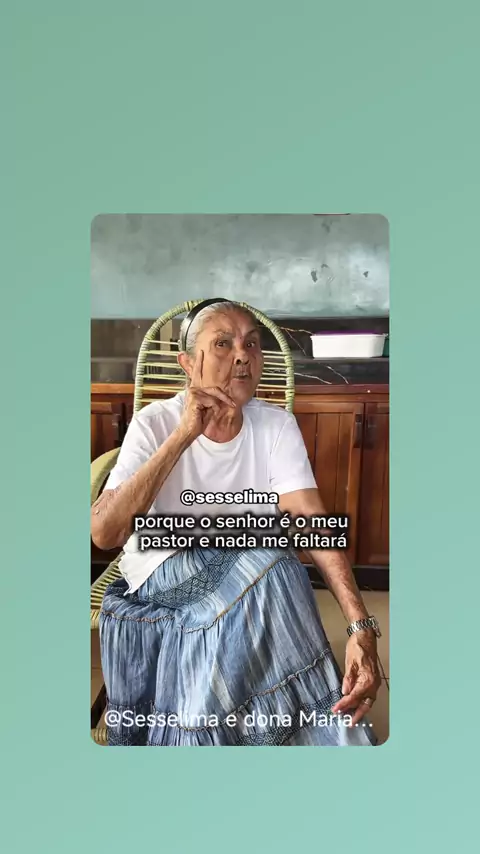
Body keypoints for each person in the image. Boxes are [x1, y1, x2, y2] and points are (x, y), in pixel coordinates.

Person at [91, 299, 381, 746]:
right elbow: (105, 533)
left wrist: (360, 626)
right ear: (188, 364)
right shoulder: (155, 423)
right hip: (164, 569)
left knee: (273, 567)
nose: (242, 355)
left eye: (251, 344)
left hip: (253, 571)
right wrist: (184, 433)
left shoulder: (276, 425)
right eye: (222, 344)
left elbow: (311, 522)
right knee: (271, 567)